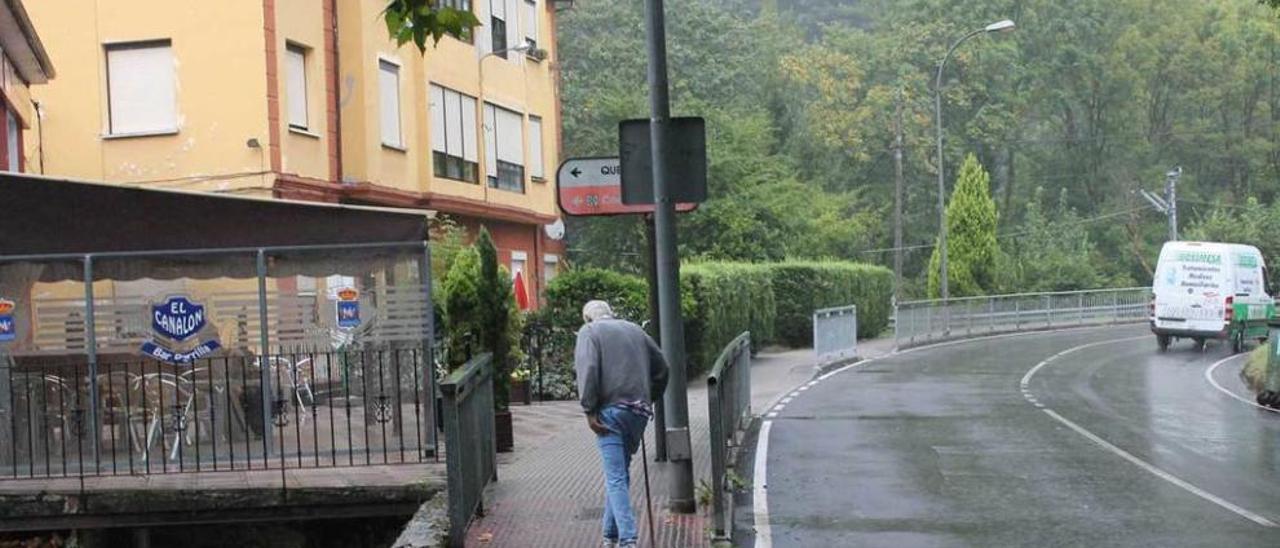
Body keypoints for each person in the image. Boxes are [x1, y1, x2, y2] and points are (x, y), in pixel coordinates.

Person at [574, 300, 669, 548]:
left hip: (610, 413)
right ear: (611, 314)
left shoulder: (589, 332)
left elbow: (589, 370)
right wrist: (650, 397)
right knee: (620, 473)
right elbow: (662, 368)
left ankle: (628, 540)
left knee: (615, 477)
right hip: (638, 412)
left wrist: (589, 409)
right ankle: (609, 536)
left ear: (587, 318)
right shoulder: (635, 330)